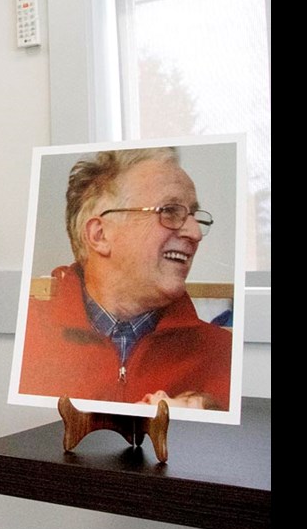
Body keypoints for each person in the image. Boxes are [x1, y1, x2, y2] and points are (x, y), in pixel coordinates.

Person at [18, 147, 232, 410]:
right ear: (100, 235)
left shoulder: (224, 355)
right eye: (170, 211)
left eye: (193, 216)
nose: (195, 233)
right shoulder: (25, 338)